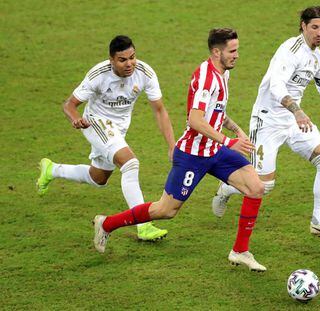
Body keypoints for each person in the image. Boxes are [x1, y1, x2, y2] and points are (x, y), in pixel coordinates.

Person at [93, 28, 267, 272]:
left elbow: (215, 111)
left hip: (213, 149)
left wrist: (236, 129)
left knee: (256, 187)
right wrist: (228, 142)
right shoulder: (207, 78)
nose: (237, 55)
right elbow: (195, 120)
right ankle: (107, 224)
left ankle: (240, 251)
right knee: (165, 210)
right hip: (193, 154)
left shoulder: (222, 74)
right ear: (217, 52)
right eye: (233, 51)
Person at [212, 6, 320, 237]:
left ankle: (319, 221)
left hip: (293, 121)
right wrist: (298, 111)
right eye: (314, 27)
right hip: (268, 120)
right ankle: (227, 188)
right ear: (303, 26)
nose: (319, 33)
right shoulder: (290, 50)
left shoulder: (317, 57)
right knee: (263, 186)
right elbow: (276, 86)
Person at [36, 35, 175, 241]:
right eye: (122, 60)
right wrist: (75, 119)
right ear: (111, 60)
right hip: (96, 122)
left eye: (132, 57)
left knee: (98, 178)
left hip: (119, 128)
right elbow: (69, 104)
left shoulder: (144, 72)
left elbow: (160, 110)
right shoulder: (98, 75)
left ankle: (52, 169)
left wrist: (172, 145)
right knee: (130, 164)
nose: (129, 64)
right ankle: (143, 225)